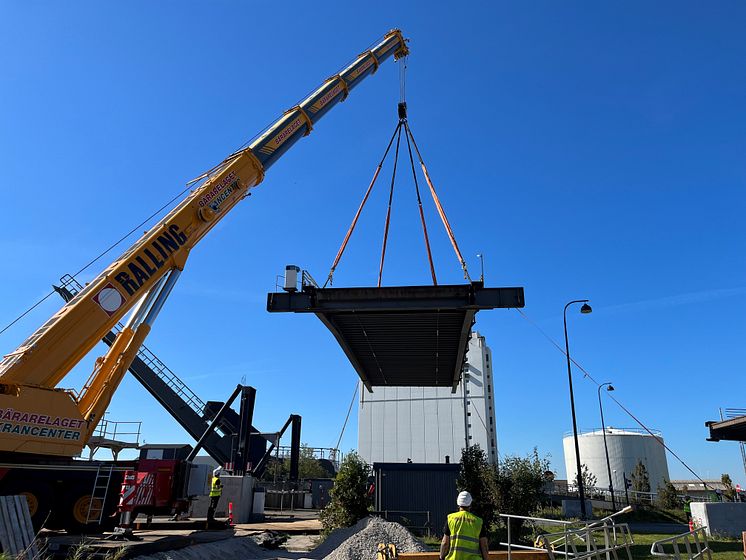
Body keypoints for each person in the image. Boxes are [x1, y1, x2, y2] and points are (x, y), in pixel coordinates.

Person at [440, 491, 489, 560]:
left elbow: (445, 543)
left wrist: (441, 558)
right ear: (470, 503)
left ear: (458, 503)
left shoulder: (451, 519)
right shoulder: (478, 522)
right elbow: (484, 545)